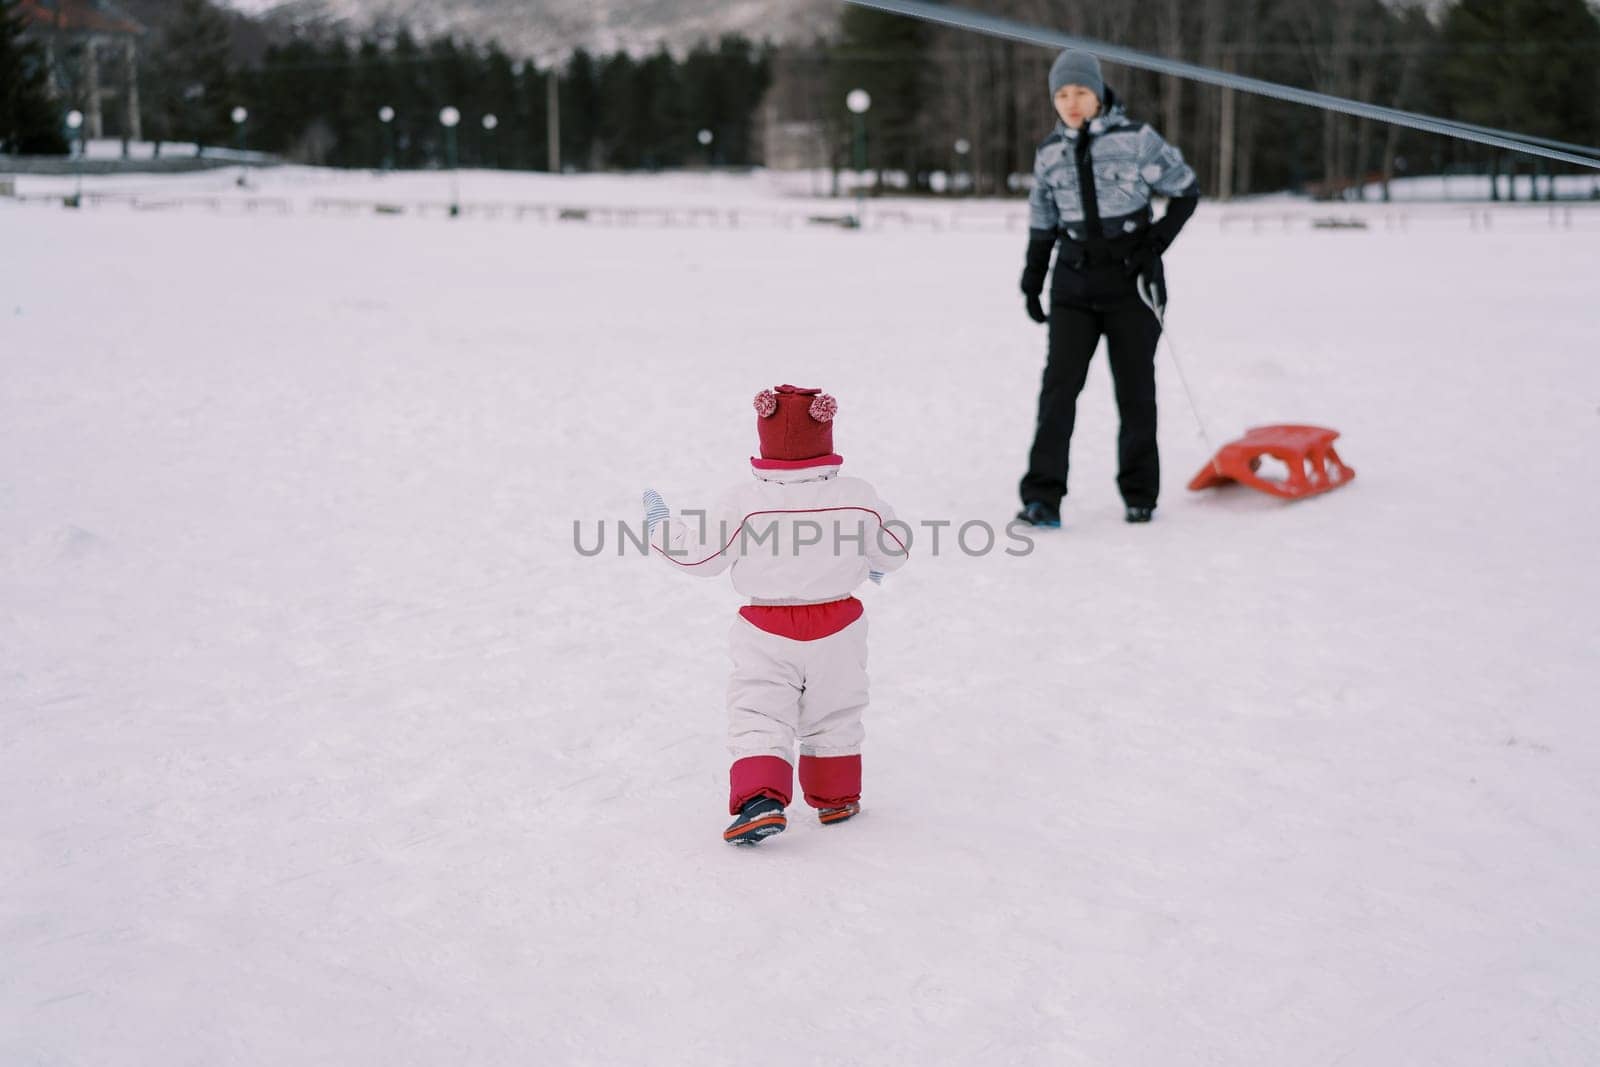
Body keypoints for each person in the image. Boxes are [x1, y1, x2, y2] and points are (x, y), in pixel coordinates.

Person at [644, 385, 909, 846]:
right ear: (826, 435)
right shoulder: (857, 494)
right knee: (837, 708)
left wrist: (660, 526)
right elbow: (894, 548)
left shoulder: (744, 500)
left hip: (767, 630)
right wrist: (872, 562)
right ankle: (837, 796)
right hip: (839, 628)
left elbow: (701, 558)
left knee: (760, 712)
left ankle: (760, 799)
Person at [1016, 49, 1200, 528]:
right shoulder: (1049, 153)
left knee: (1135, 391)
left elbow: (1185, 189)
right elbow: (1043, 221)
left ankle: (1140, 494)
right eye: (1061, 94)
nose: (1071, 103)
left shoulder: (1136, 140)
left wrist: (1153, 244)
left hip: (1130, 281)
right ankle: (1042, 497)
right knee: (1058, 390)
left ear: (1098, 94)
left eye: (1080, 92)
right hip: (1073, 280)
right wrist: (1033, 279)